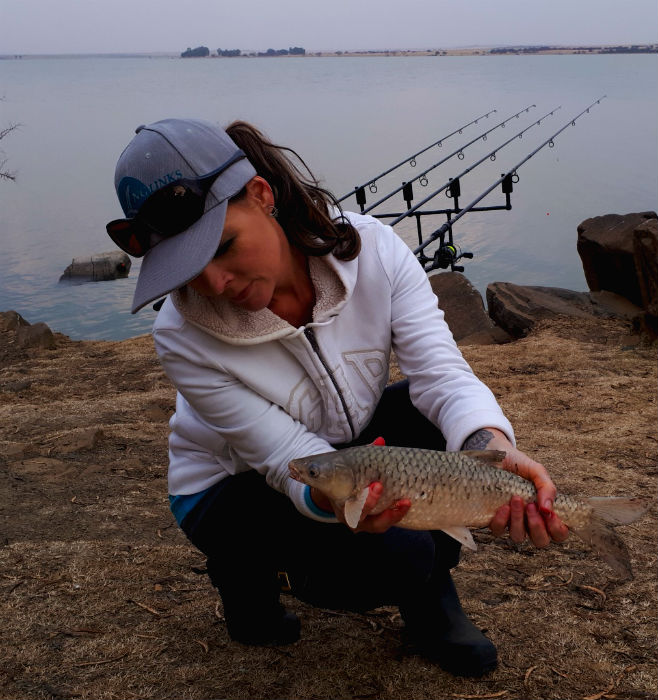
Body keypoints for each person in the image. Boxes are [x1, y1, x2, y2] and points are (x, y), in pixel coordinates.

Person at [106, 118, 569, 677]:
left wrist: (489, 446)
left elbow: (442, 377)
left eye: (224, 247)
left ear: (261, 195)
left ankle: (430, 597)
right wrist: (335, 504)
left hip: (342, 441)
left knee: (431, 433)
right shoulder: (181, 336)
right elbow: (284, 458)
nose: (216, 283)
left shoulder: (373, 248)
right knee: (388, 559)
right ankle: (243, 572)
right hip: (230, 486)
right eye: (186, 270)